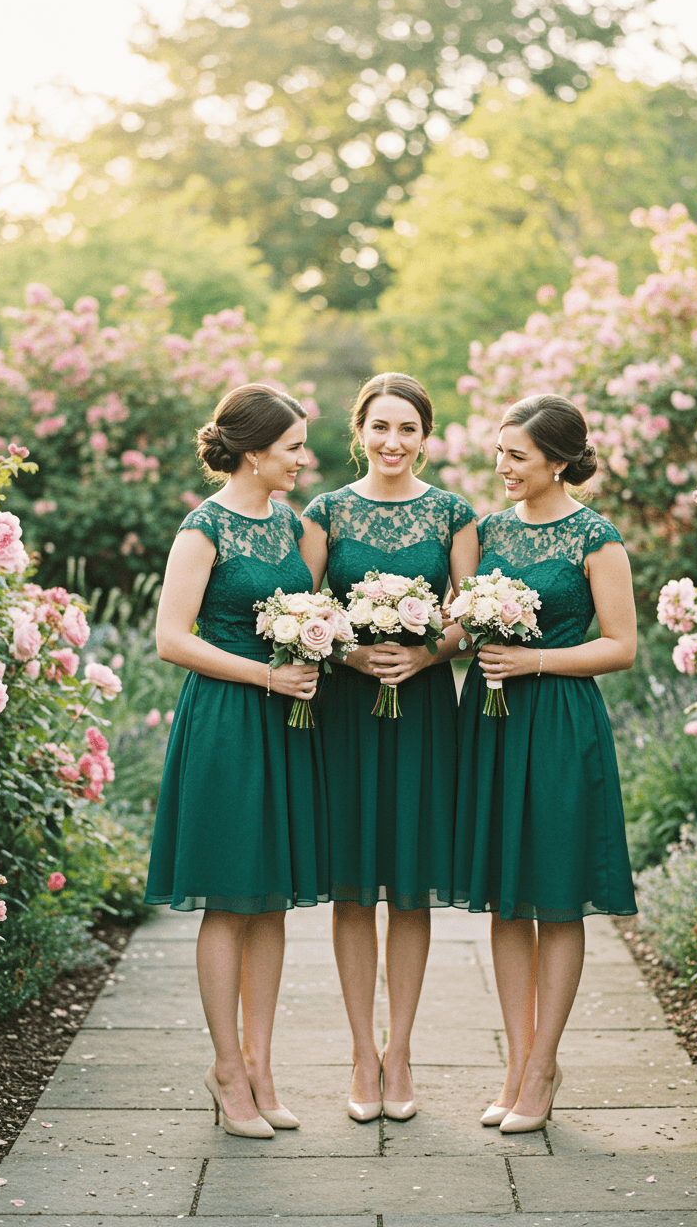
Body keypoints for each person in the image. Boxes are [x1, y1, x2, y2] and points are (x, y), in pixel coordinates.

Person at [451, 393, 638, 1134]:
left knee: (555, 896)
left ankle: (543, 1067)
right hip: (492, 724)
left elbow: (620, 646)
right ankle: (516, 1059)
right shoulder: (488, 532)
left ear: (558, 461)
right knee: (505, 894)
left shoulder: (597, 537)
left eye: (517, 456)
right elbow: (459, 620)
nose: (501, 466)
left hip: (559, 721)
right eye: (499, 451)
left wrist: (535, 661)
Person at [145, 383, 327, 1139]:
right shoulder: (202, 528)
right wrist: (265, 674)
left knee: (271, 897)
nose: (302, 459)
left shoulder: (288, 525)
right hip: (226, 718)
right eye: (292, 446)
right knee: (228, 899)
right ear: (254, 451)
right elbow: (170, 637)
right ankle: (226, 1072)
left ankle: (261, 1066)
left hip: (286, 721)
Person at [301, 373, 479, 1122]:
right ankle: (359, 1055)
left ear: (426, 437)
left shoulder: (454, 513)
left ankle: (400, 1051)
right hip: (344, 706)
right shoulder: (325, 512)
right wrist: (345, 655)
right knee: (350, 885)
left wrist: (430, 654)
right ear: (359, 432)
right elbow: (301, 604)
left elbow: (472, 614)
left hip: (425, 708)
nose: (394, 442)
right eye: (381, 427)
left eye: (408, 429)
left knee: (409, 885)